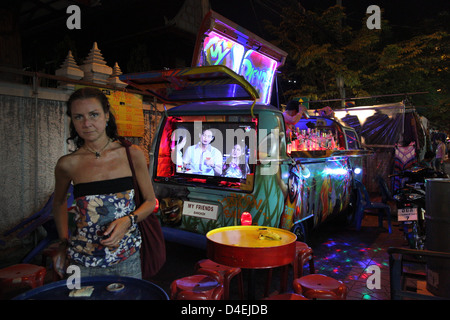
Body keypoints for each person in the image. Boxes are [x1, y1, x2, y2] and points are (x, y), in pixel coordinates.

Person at [52, 87, 156, 279]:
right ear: (72, 121)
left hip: (127, 259)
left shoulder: (132, 154)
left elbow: (150, 201)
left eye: (94, 114)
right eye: (78, 117)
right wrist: (63, 242)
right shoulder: (67, 164)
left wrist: (128, 221)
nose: (87, 123)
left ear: (107, 116)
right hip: (81, 263)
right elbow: (58, 203)